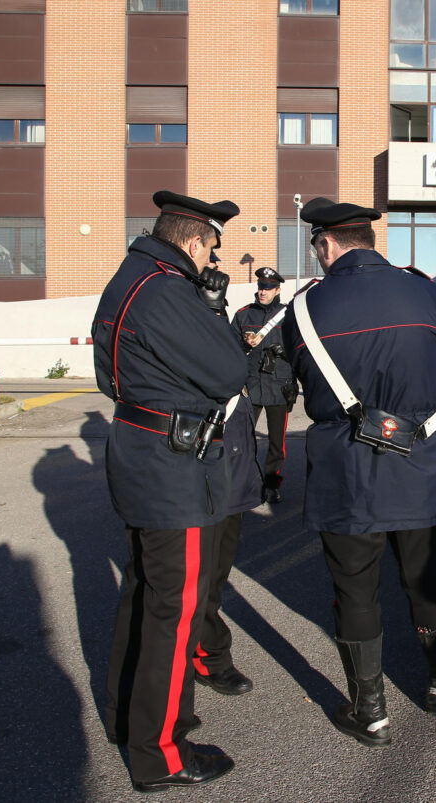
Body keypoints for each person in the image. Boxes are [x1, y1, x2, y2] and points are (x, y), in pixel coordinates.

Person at [282, 196, 436, 748]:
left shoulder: (305, 309)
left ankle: (371, 711)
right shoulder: (427, 292)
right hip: (423, 467)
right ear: (368, 238)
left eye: (317, 246)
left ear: (327, 243)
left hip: (348, 475)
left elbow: (301, 382)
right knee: (428, 581)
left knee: (355, 592)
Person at [92, 190, 244, 793]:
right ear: (192, 238)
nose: (212, 259)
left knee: (143, 592)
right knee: (174, 610)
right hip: (172, 467)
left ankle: (130, 715)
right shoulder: (165, 288)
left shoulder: (130, 277)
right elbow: (230, 371)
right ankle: (159, 752)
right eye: (211, 245)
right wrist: (210, 312)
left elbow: (112, 374)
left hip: (141, 452)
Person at [191, 249, 264, 698]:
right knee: (199, 577)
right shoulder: (182, 316)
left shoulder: (218, 320)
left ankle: (202, 647)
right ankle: (209, 655)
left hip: (233, 470)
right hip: (203, 472)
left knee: (216, 573)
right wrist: (207, 315)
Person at [231, 266, 297, 504]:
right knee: (243, 439)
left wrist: (284, 352)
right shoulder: (243, 315)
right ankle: (246, 481)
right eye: (260, 287)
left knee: (276, 443)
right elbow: (230, 350)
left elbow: (301, 350)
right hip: (251, 386)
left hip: (279, 387)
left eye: (268, 288)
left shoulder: (289, 315)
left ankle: (272, 483)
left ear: (278, 289)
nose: (263, 291)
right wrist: (245, 347)